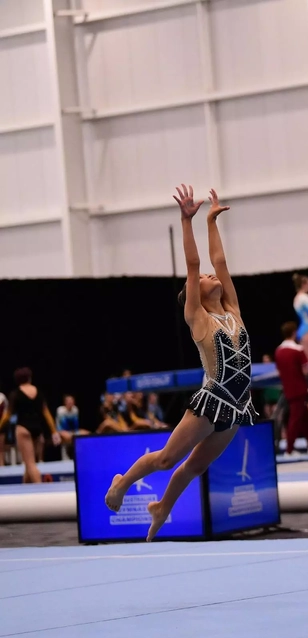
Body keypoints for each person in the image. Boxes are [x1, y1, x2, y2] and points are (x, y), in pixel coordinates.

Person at [104, 186, 257, 541]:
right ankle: (122, 482)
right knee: (165, 461)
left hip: (237, 407)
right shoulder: (198, 318)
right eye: (204, 280)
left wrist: (211, 221)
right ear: (195, 295)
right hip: (212, 402)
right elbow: (195, 264)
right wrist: (186, 221)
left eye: (209, 277)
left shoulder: (232, 310)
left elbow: (219, 262)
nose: (210, 277)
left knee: (196, 466)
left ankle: (162, 508)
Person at [0, 368, 60, 483]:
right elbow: (46, 414)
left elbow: (7, 415)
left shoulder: (15, 394)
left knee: (31, 464)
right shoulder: (39, 392)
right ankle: (25, 488)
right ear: (30, 378)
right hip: (37, 429)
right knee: (29, 465)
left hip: (23, 429)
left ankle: (41, 493)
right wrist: (53, 431)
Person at [275, 321, 308, 456]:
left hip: (288, 388)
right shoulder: (298, 350)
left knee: (304, 417)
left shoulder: (278, 351)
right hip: (299, 388)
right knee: (295, 419)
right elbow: (306, 370)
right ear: (294, 333)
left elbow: (279, 370)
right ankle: (289, 450)